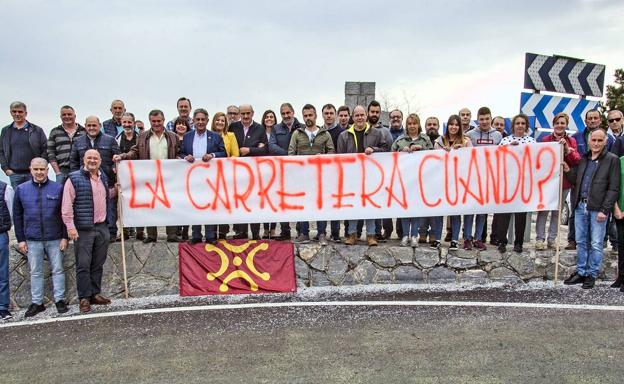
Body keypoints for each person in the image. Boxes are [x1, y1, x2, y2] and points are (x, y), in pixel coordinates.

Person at [564, 129, 620, 289]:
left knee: (596, 243)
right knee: (581, 242)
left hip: (598, 208)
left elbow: (613, 188)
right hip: (581, 205)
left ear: (605, 142)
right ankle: (581, 272)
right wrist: (567, 170)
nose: (596, 143)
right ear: (589, 141)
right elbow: (576, 180)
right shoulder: (584, 159)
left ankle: (591, 274)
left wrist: (605, 209)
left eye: (599, 140)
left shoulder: (612, 160)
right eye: (593, 140)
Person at [113, 110, 181, 243]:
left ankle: (172, 234)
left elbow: (179, 152)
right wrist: (123, 156)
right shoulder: (143, 136)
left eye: (159, 121)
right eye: (153, 121)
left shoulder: (173, 136)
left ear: (163, 120)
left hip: (169, 177)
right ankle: (151, 235)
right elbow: (135, 151)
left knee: (170, 204)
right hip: (149, 177)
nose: (156, 123)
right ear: (150, 121)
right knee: (151, 205)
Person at [14, 158, 68, 317]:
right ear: (30, 169)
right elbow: (17, 216)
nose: (39, 172)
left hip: (55, 237)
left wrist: (65, 237)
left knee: (58, 269)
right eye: (36, 169)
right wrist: (21, 239)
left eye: (42, 169)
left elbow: (64, 214)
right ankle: (37, 303)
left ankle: (60, 300)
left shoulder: (58, 188)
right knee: (35, 271)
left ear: (47, 170)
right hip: (32, 239)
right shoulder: (21, 190)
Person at [62, 149, 113, 313]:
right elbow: (67, 204)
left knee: (98, 263)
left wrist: (117, 189)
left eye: (95, 158)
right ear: (84, 160)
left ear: (99, 160)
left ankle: (95, 294)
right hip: (83, 229)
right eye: (89, 158)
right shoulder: (74, 178)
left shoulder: (103, 176)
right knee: (83, 265)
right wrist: (70, 226)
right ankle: (84, 297)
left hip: (102, 226)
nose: (92, 160)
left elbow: (105, 197)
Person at [337, 105, 387, 246]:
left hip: (371, 176)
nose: (359, 118)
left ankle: (371, 235)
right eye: (357, 115)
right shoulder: (344, 136)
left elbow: (385, 150)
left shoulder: (377, 134)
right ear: (353, 117)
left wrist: (374, 149)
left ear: (366, 116)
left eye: (362, 115)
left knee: (369, 205)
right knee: (353, 205)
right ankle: (352, 234)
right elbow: (340, 157)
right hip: (351, 177)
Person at [567, 109, 616, 250]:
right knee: (575, 211)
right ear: (585, 121)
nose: (593, 120)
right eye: (590, 118)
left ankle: (604, 239)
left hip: (600, 181)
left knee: (602, 214)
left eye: (595, 118)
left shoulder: (610, 139)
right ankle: (572, 239)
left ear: (600, 120)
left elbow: (611, 158)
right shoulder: (576, 137)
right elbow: (573, 157)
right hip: (580, 178)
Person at [288, 104, 335, 245]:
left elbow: (332, 152)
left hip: (320, 177)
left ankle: (321, 234)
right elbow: (291, 152)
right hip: (302, 177)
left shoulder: (325, 134)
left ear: (315, 116)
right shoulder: (297, 134)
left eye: (310, 115)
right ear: (303, 117)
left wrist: (324, 156)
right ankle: (304, 233)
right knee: (303, 204)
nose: (308, 118)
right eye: (305, 116)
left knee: (320, 204)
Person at [70, 116, 121, 242]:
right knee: (87, 207)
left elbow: (118, 160)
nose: (92, 128)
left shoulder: (110, 140)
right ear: (85, 126)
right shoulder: (78, 141)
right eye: (89, 125)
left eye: (94, 125)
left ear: (99, 126)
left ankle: (111, 233)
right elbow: (73, 161)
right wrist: (74, 178)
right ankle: (89, 233)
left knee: (110, 207)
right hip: (84, 182)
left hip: (107, 180)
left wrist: (115, 174)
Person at [535, 112, 580, 250]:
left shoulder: (571, 141)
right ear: (553, 125)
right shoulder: (545, 139)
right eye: (557, 123)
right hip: (548, 181)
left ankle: (552, 239)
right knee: (544, 210)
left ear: (566, 125)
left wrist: (567, 150)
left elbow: (576, 160)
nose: (559, 126)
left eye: (562, 123)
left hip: (564, 182)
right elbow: (540, 159)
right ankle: (540, 239)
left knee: (557, 211)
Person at [180, 109, 226, 245]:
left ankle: (210, 235)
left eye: (202, 120)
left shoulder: (216, 136)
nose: (200, 122)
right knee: (194, 205)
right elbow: (180, 152)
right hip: (192, 178)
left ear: (207, 121)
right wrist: (184, 157)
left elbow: (223, 153)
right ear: (193, 121)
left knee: (209, 205)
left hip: (210, 178)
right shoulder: (187, 136)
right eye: (197, 119)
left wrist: (212, 155)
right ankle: (196, 234)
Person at [493, 114, 535, 254]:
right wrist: (508, 149)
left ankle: (519, 242)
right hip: (506, 183)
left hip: (523, 184)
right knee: (504, 214)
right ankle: (502, 241)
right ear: (513, 126)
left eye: (523, 123)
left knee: (520, 215)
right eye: (517, 123)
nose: (520, 126)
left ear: (526, 126)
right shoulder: (505, 140)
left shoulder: (531, 141)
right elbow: (496, 158)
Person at [463, 107, 502, 250]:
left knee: (482, 210)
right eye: (482, 119)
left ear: (490, 119)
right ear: (477, 119)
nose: (484, 122)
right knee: (469, 210)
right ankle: (467, 237)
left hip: (488, 178)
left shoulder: (498, 135)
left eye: (487, 119)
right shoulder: (469, 134)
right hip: (471, 178)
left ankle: (478, 238)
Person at [392, 113, 433, 247]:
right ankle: (405, 235)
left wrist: (422, 149)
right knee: (405, 209)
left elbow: (433, 156)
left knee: (415, 208)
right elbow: (390, 156)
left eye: (414, 123)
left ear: (418, 124)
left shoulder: (425, 139)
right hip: (403, 180)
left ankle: (414, 235)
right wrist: (400, 152)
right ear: (406, 125)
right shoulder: (400, 140)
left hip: (420, 180)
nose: (412, 126)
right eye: (409, 124)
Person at [229, 104, 267, 240]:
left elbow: (264, 149)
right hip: (237, 172)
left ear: (252, 113)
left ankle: (255, 233)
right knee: (240, 201)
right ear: (239, 114)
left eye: (248, 113)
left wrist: (249, 150)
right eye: (243, 113)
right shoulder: (233, 127)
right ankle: (241, 231)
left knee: (254, 202)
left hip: (254, 172)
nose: (245, 116)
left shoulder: (260, 128)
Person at [434, 115, 472, 250]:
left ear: (460, 127)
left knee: (455, 211)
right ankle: (437, 238)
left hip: (458, 182)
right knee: (439, 211)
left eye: (456, 125)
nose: (454, 127)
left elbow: (470, 159)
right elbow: (434, 159)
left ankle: (455, 239)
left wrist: (462, 151)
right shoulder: (439, 141)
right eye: (451, 124)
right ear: (447, 126)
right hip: (441, 181)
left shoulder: (466, 141)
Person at [0, 101, 48, 188]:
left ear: (25, 113)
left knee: (34, 199)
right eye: (14, 111)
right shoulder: (6, 131)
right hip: (14, 174)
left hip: (33, 174)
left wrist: (39, 168)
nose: (17, 114)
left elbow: (45, 149)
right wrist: (6, 169)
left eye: (20, 112)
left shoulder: (36, 130)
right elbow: (1, 151)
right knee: (18, 200)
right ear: (11, 113)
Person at [368, 100, 394, 242]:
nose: (374, 114)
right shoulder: (363, 129)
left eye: (377, 112)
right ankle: (372, 231)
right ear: (368, 113)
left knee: (381, 203)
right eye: (372, 111)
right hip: (366, 175)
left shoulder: (385, 132)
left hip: (381, 174)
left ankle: (384, 230)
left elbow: (388, 151)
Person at [211, 111, 239, 239]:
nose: (220, 122)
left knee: (223, 203)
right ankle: (211, 231)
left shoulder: (231, 136)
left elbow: (236, 154)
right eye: (218, 120)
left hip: (225, 174)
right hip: (210, 175)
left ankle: (222, 231)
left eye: (222, 120)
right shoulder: (208, 135)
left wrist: (227, 162)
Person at [116, 112, 142, 240]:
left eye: (129, 122)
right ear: (121, 123)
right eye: (124, 122)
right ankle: (124, 232)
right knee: (123, 204)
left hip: (139, 177)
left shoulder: (140, 138)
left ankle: (140, 232)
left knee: (140, 203)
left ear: (133, 123)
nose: (127, 125)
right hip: (123, 177)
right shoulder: (117, 139)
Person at [323, 104, 346, 243]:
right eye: (326, 113)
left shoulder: (342, 132)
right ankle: (322, 232)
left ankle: (336, 232)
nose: (329, 115)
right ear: (323, 115)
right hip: (324, 173)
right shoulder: (320, 131)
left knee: (335, 203)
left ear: (335, 115)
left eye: (331, 113)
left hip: (337, 172)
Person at [418, 116, 442, 245]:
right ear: (425, 126)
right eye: (429, 124)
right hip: (423, 180)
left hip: (438, 181)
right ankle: (422, 233)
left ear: (438, 126)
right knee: (422, 208)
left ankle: (434, 234)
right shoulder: (420, 140)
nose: (431, 126)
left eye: (434, 124)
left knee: (436, 210)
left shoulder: (442, 141)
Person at [47, 105, 85, 185]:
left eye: (69, 114)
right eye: (64, 115)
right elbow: (50, 153)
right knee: (61, 196)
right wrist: (57, 172)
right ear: (60, 116)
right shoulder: (55, 132)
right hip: (62, 171)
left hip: (80, 170)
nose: (67, 116)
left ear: (74, 116)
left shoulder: (83, 131)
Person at [262, 110, 280, 239]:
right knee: (264, 199)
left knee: (274, 200)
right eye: (267, 117)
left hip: (276, 168)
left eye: (271, 117)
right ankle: (265, 229)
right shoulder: (259, 132)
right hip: (262, 170)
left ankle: (273, 228)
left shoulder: (278, 132)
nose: (269, 119)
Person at [0, 179, 14, 320]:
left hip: (0, 234)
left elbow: (10, 212)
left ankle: (3, 307)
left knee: (2, 273)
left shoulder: (5, 188)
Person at [611, 148, 624, 292]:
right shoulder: (619, 161)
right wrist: (616, 207)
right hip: (620, 210)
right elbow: (614, 186)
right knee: (621, 244)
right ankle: (621, 276)